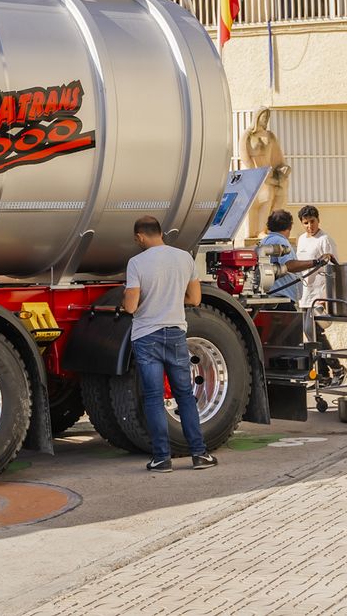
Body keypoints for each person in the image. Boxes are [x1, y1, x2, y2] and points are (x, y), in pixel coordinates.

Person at [122, 216, 218, 472]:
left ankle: (162, 458)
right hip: (175, 332)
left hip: (146, 335)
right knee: (184, 396)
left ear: (140, 236)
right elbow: (195, 299)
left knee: (154, 398)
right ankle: (199, 454)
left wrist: (128, 302)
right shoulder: (184, 257)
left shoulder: (136, 263)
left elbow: (131, 306)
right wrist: (172, 299)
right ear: (161, 233)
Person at [295, 205, 345, 385]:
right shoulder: (301, 240)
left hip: (319, 293)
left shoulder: (325, 240)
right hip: (305, 294)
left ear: (318, 220)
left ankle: (337, 368)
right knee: (311, 335)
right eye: (306, 223)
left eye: (312, 222)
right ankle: (322, 375)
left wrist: (326, 295)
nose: (310, 226)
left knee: (316, 333)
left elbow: (334, 268)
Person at [241, 107, 291, 243]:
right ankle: (258, 230)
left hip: (269, 174)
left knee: (271, 195)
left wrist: (282, 170)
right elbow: (245, 157)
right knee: (264, 196)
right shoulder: (248, 135)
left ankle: (266, 229)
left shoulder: (270, 136)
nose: (265, 120)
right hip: (256, 175)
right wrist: (255, 173)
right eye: (263, 116)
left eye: (267, 117)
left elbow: (277, 157)